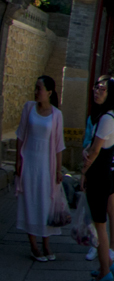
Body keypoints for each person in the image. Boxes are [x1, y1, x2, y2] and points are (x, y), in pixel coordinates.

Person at [82, 76, 114, 281]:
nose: (97, 92)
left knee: (100, 226)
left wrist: (83, 173)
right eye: (96, 87)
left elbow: (94, 150)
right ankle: (107, 263)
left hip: (99, 178)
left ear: (110, 94)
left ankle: (104, 272)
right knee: (99, 222)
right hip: (101, 176)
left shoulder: (107, 119)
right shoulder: (104, 117)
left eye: (102, 89)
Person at [15, 76, 66, 262]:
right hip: (29, 162)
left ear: (49, 92)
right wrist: (17, 161)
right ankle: (33, 246)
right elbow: (20, 135)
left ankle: (46, 244)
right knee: (29, 201)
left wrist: (59, 170)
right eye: (36, 88)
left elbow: (59, 145)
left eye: (40, 88)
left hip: (46, 165)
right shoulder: (29, 108)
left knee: (45, 204)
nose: (36, 92)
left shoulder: (56, 115)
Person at [81, 103, 114, 262]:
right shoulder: (93, 119)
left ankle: (112, 247)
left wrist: (107, 143)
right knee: (96, 210)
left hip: (113, 168)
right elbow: (87, 142)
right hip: (96, 168)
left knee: (111, 209)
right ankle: (96, 245)